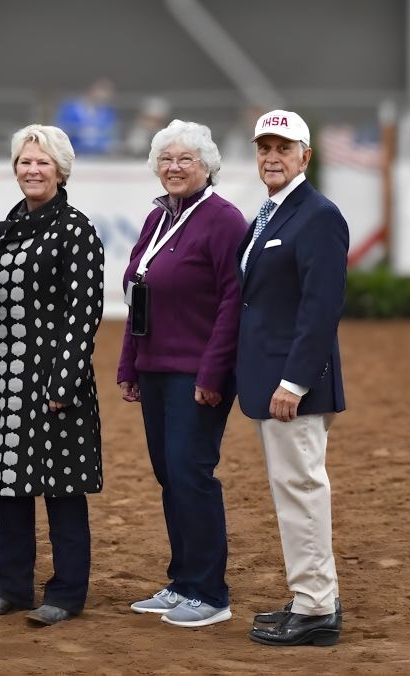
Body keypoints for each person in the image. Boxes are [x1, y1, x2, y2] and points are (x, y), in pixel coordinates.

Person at [0, 124, 104, 627]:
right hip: (4, 379)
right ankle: (10, 586)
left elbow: (82, 314)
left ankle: (66, 594)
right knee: (11, 488)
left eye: (42, 162)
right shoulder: (2, 230)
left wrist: (62, 385)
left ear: (61, 170)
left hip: (52, 384)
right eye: (24, 161)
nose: (32, 170)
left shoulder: (77, 229)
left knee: (63, 490)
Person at [117, 120, 246, 627]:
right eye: (166, 159)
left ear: (207, 166)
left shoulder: (223, 220)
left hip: (196, 371)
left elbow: (234, 303)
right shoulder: (158, 219)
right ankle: (183, 581)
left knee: (191, 474)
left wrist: (213, 375)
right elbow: (137, 297)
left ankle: (210, 593)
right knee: (169, 475)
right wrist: (130, 363)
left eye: (185, 159)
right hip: (154, 369)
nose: (173, 167)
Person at [238, 110, 348, 647]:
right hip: (275, 383)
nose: (272, 158)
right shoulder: (274, 213)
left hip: (292, 389)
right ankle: (312, 595)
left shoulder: (318, 215)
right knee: (294, 489)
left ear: (306, 156)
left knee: (301, 490)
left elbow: (321, 308)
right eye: (265, 148)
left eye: (284, 148)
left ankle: (316, 608)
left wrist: (296, 383)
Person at [54, 77, 119, 156]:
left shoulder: (108, 112)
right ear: (91, 89)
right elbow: (61, 129)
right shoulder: (70, 108)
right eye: (101, 89)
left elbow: (110, 134)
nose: (103, 95)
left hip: (99, 155)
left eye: (107, 91)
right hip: (74, 153)